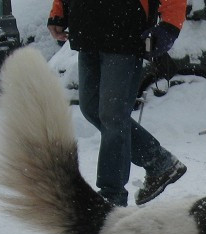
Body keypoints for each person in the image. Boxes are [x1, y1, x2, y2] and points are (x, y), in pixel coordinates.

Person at [47, 0, 188, 206]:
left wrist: (170, 25)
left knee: (113, 116)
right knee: (92, 110)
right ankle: (158, 161)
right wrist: (59, 12)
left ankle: (111, 196)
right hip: (87, 33)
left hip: (125, 32)